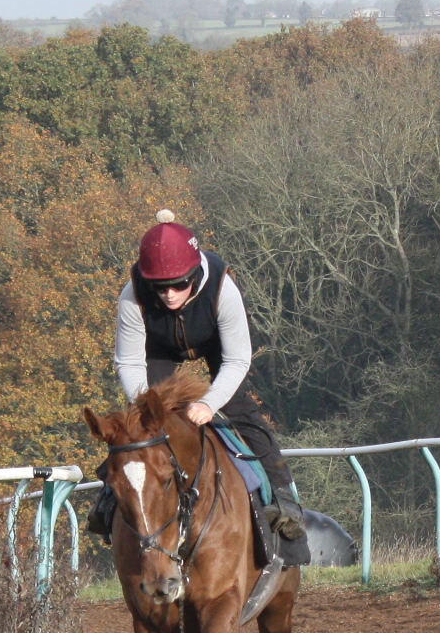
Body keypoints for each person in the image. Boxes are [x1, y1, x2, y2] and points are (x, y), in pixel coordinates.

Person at [108, 211, 305, 558]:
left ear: (196, 274)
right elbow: (128, 361)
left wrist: (208, 404)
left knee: (244, 413)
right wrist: (148, 408)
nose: (168, 295)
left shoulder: (222, 288)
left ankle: (288, 506)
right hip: (159, 349)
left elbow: (237, 361)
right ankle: (107, 503)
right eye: (159, 287)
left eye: (178, 285)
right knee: (138, 428)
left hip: (216, 345)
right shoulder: (132, 294)